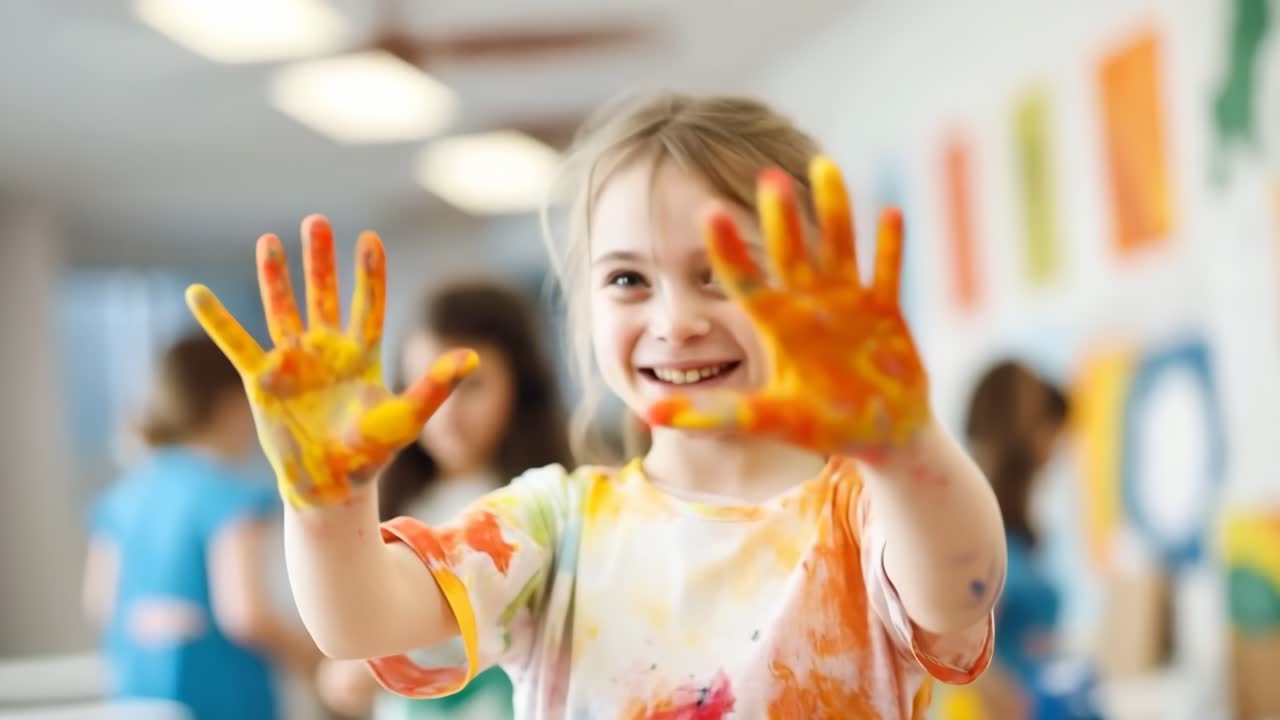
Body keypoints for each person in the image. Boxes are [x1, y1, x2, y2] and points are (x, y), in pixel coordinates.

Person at [185, 92, 1007, 718]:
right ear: (584, 309)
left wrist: (905, 444)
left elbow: (961, 587)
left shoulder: (867, 513)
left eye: (722, 270)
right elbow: (358, 623)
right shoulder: (555, 524)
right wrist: (328, 502)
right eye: (628, 280)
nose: (676, 321)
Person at [315, 280, 572, 719]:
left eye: (470, 386)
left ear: (520, 386)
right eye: (423, 386)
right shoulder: (386, 497)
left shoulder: (548, 504)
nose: (445, 410)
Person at [82, 333, 320, 720]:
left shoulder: (124, 496)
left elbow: (99, 602)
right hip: (222, 703)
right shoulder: (230, 497)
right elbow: (246, 614)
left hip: (139, 698)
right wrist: (315, 659)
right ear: (231, 403)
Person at [963, 360, 1100, 720]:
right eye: (1055, 436)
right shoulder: (980, 539)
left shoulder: (1016, 534)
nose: (1057, 454)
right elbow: (963, 662)